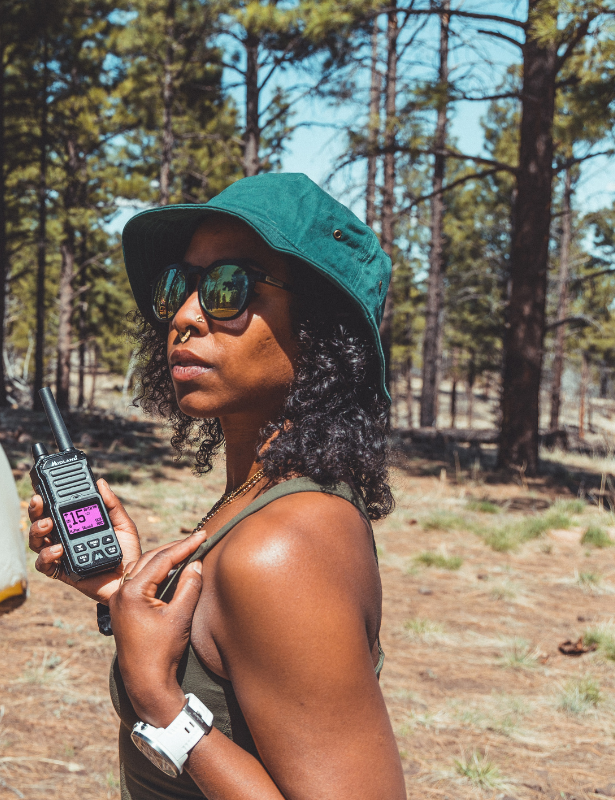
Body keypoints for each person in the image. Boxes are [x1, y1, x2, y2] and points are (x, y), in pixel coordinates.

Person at [28, 173, 407, 799]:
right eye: (179, 286)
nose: (183, 316)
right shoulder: (256, 500)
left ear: (319, 329)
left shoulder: (283, 547)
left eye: (228, 287)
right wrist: (123, 598)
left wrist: (165, 708)